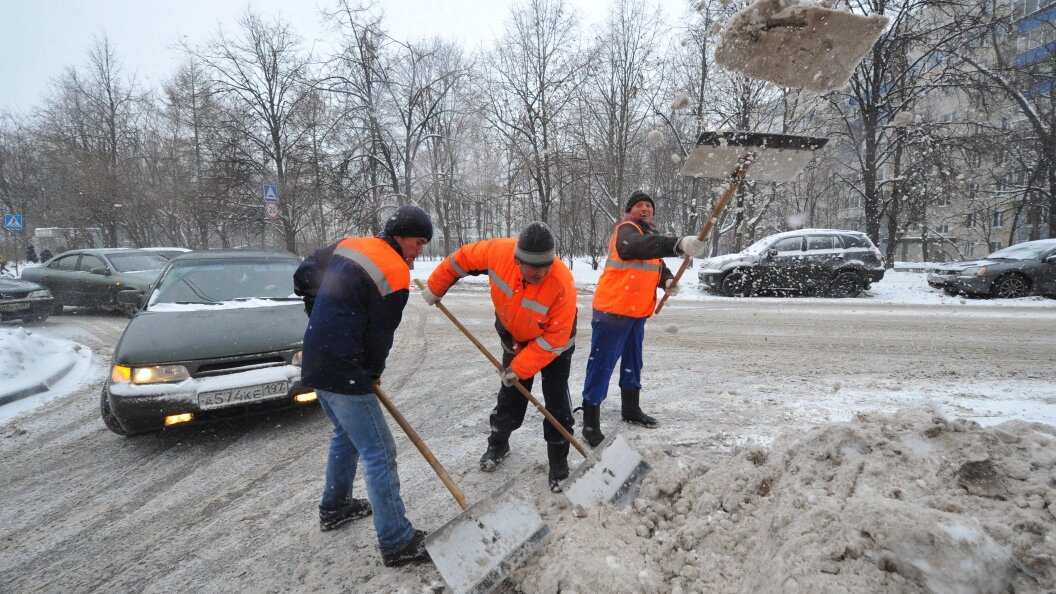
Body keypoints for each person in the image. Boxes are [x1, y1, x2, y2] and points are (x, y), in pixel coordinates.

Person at [297, 204, 434, 568]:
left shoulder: (351, 245)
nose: (419, 251)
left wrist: (321, 314)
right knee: (379, 451)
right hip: (344, 369)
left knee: (345, 433)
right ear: (401, 235)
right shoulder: (394, 271)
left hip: (315, 357)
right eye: (418, 242)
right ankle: (397, 541)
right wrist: (371, 372)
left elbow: (304, 272)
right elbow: (379, 336)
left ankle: (335, 507)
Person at [422, 222, 577, 492]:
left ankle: (559, 462)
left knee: (557, 405)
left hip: (555, 348)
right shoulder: (498, 253)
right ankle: (498, 445)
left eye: (546, 265)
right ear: (517, 260)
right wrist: (436, 286)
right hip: (515, 339)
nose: (541, 272)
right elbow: (460, 260)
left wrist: (519, 368)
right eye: (533, 266)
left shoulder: (562, 282)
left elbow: (554, 340)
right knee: (510, 397)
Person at [579, 190, 707, 447]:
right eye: (639, 206)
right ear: (630, 212)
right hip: (612, 312)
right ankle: (590, 422)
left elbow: (655, 263)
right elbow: (632, 249)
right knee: (602, 365)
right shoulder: (626, 230)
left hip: (637, 314)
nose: (645, 209)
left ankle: (631, 410)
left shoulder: (649, 237)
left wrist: (667, 280)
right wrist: (677, 243)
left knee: (633, 363)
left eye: (648, 206)